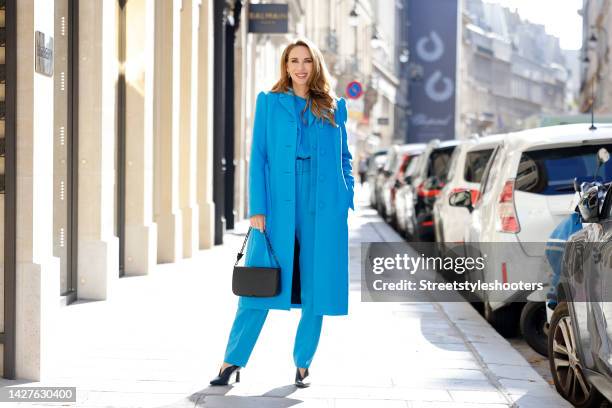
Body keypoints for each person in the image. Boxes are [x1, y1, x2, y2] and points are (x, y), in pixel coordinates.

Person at [209, 38, 354, 388]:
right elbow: (258, 156)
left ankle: (303, 363)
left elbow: (344, 156)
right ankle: (232, 362)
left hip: (324, 205)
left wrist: (346, 194)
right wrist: (257, 208)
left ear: (315, 65)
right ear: (285, 66)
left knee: (317, 287)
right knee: (258, 283)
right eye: (294, 61)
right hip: (278, 202)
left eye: (306, 61)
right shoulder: (270, 103)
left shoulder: (333, 107)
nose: (300, 67)